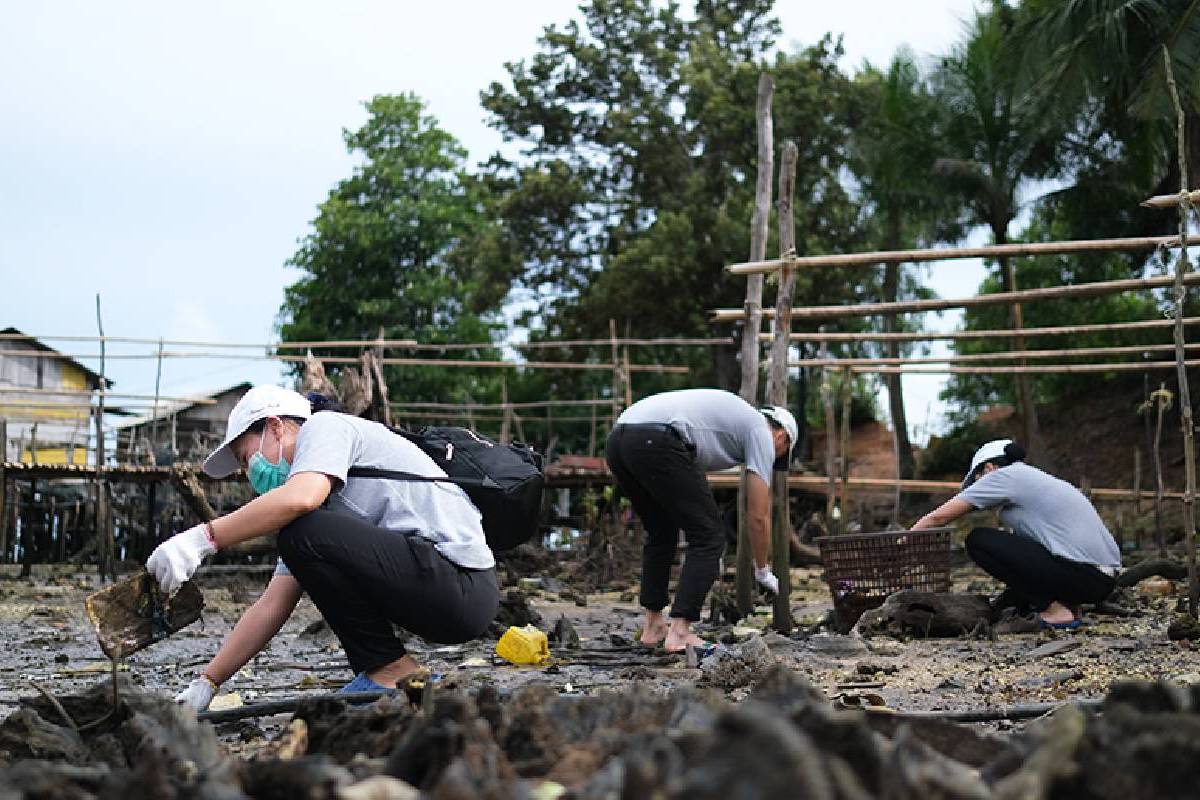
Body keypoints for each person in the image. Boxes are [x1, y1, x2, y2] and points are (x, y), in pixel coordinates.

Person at [146, 385, 499, 711]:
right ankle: (394, 672)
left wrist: (201, 539)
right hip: (440, 592)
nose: (248, 472)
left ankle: (388, 671)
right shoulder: (317, 511)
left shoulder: (325, 429)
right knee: (300, 539)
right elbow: (272, 604)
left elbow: (300, 498)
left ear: (275, 427)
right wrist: (208, 683)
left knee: (299, 533)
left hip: (461, 581)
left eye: (245, 457)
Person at [605, 388, 797, 652]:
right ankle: (681, 631)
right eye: (782, 453)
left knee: (661, 530)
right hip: (657, 437)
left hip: (619, 439)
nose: (775, 459)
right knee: (709, 536)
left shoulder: (733, 423)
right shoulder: (761, 432)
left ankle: (653, 626)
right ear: (782, 436)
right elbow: (758, 516)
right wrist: (762, 570)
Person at [911, 439, 1120, 629]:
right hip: (1102, 581)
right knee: (1011, 560)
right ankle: (1069, 606)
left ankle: (1056, 611)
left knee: (979, 540)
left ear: (989, 468)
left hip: (1083, 575)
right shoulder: (1033, 479)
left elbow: (937, 518)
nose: (978, 487)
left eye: (977, 480)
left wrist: (904, 540)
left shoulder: (1005, 476)